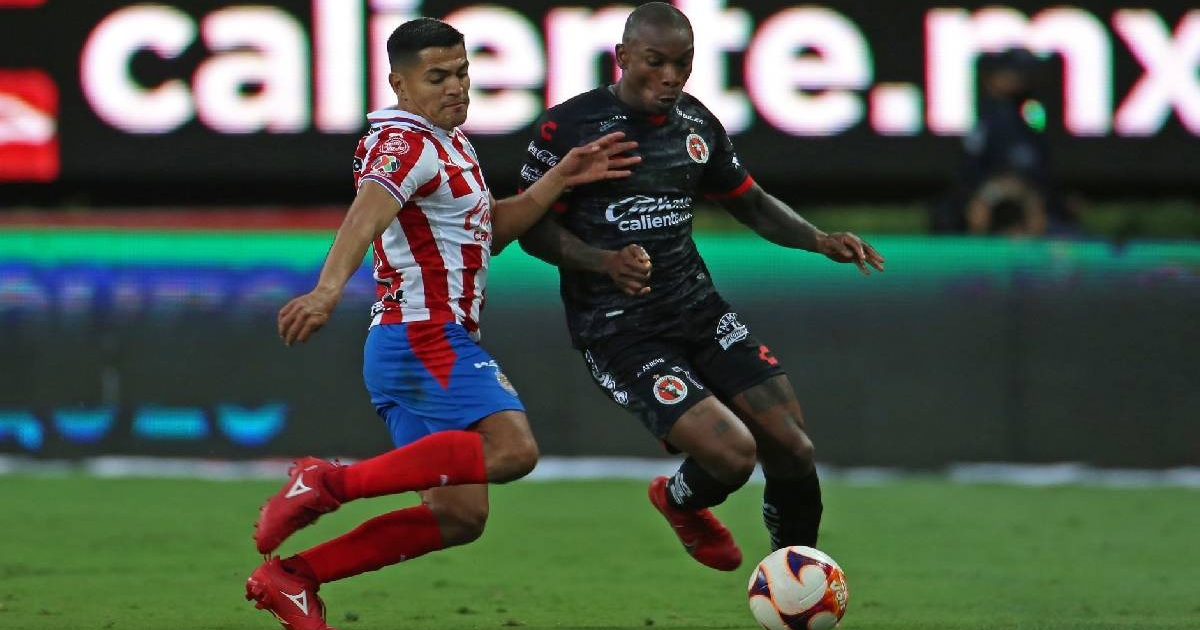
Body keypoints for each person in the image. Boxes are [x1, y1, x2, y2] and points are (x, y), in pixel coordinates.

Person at [244, 18, 638, 630]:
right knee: (513, 450)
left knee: (459, 516)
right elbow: (366, 214)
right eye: (437, 77)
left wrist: (560, 177)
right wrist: (327, 290)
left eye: (462, 73)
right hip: (423, 336)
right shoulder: (404, 143)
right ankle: (326, 483)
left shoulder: (447, 141)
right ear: (399, 84)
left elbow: (490, 232)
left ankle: (292, 577)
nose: (455, 87)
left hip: (409, 345)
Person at [516, 2, 884, 572]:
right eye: (655, 62)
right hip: (620, 331)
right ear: (622, 57)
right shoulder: (570, 127)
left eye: (682, 63)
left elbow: (751, 203)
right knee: (734, 455)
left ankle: (794, 579)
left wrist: (818, 239)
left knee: (792, 447)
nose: (670, 77)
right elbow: (530, 228)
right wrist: (603, 261)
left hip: (699, 312)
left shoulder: (695, 124)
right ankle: (677, 500)